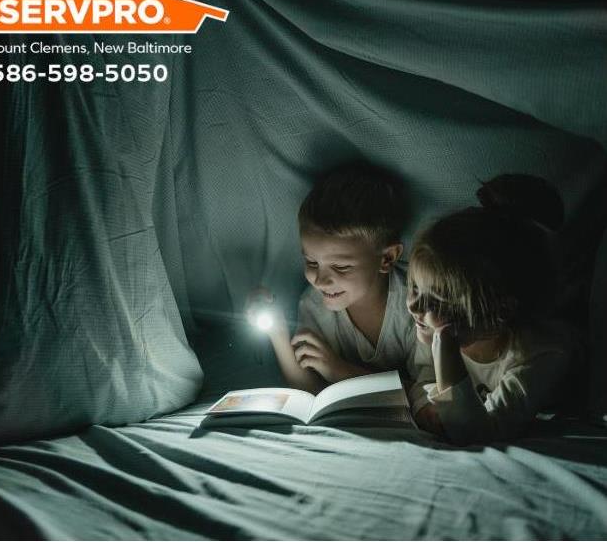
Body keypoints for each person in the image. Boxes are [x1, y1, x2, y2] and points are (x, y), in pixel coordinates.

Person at [247, 161, 432, 416]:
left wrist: (339, 370)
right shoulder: (314, 305)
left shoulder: (416, 303)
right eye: (312, 262)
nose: (320, 280)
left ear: (386, 258)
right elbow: (307, 389)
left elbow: (430, 394)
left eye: (341, 267)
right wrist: (277, 332)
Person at [407, 174, 577, 444]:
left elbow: (478, 435)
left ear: (498, 311)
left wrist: (446, 349)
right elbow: (424, 376)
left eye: (436, 299)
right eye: (415, 288)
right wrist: (424, 406)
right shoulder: (436, 326)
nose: (414, 306)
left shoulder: (540, 354)